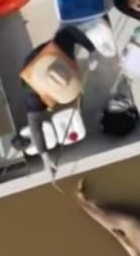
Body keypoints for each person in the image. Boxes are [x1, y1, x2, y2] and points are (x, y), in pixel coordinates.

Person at [20, 25, 96, 173]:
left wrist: (91, 49)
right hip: (32, 69)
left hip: (49, 60)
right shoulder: (33, 96)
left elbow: (69, 31)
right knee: (38, 107)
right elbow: (35, 126)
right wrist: (45, 158)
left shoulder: (61, 46)